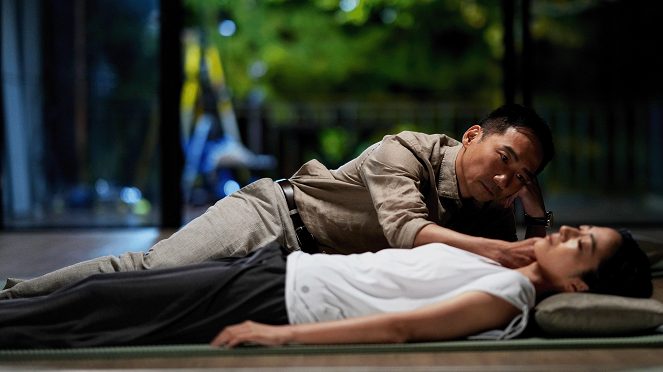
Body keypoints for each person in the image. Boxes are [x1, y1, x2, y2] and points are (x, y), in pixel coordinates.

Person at [0, 104, 556, 300]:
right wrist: (499, 248)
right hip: (270, 218)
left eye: (522, 177)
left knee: (159, 304)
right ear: (473, 136)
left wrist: (534, 209)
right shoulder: (403, 150)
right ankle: (15, 294)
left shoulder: (491, 205)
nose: (507, 179)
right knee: (146, 270)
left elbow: (517, 267)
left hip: (300, 271)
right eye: (506, 158)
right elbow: (405, 230)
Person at [0, 226, 652, 349]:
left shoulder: (508, 299)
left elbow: (402, 329)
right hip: (275, 269)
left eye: (580, 243)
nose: (566, 229)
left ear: (573, 281)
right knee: (101, 299)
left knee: (96, 308)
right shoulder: (506, 267)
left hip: (276, 301)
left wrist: (278, 334)